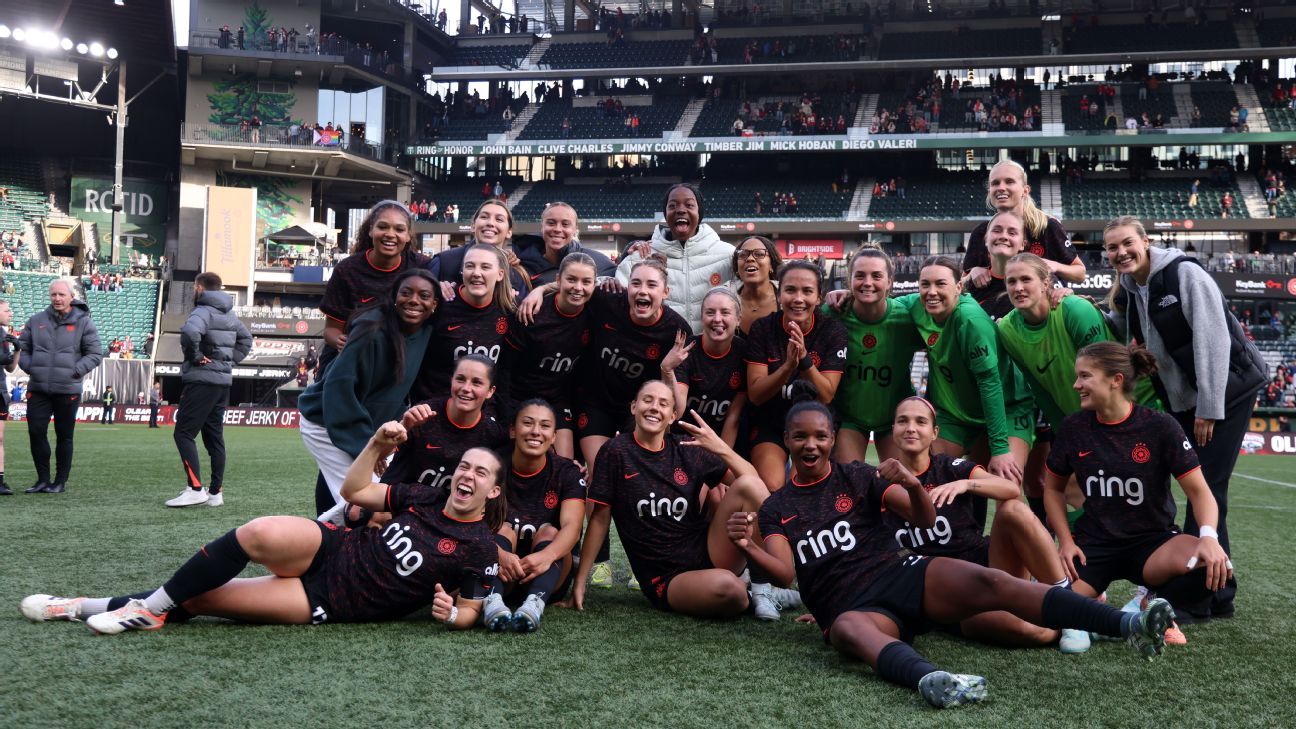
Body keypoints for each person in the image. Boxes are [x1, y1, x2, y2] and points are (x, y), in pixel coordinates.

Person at [730, 396, 1176, 709]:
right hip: (850, 605)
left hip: (902, 573)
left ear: (832, 438)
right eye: (800, 437)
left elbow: (922, 519)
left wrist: (909, 484)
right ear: (786, 440)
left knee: (995, 581)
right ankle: (931, 680)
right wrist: (748, 546)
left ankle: (1128, 624)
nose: (811, 445)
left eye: (821, 436)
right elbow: (785, 574)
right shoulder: (776, 507)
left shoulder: (859, 475)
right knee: (848, 631)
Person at [20, 423, 503, 633]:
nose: (467, 475)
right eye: (465, 466)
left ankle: (77, 606)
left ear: (493, 492)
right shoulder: (430, 494)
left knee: (202, 597)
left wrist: (449, 615)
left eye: (480, 473)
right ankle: (149, 610)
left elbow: (471, 610)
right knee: (258, 532)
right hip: (332, 549)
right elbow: (356, 492)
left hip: (334, 600)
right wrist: (376, 444)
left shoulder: (480, 547)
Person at [1104, 216, 1263, 621]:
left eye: (1127, 243)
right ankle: (1221, 593)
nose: (1120, 252)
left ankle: (1195, 599)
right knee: (1209, 493)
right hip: (1188, 401)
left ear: (1145, 241)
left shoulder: (1184, 273)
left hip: (1225, 394)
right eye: (1112, 248)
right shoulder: (1132, 288)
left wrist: (1208, 407)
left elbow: (1213, 339)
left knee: (1203, 492)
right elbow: (1129, 336)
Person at [519, 256, 690, 588]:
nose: (642, 291)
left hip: (638, 411)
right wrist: (538, 291)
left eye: (652, 285)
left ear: (665, 292)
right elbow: (573, 287)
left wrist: (667, 370)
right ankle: (598, 561)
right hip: (594, 401)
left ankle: (649, 563)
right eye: (636, 284)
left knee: (639, 481)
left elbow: (678, 409)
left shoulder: (676, 330)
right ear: (627, 289)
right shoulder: (607, 300)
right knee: (600, 473)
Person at [1045, 342, 1233, 639]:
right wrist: (1066, 542)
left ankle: (1148, 602)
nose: (1076, 384)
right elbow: (1053, 489)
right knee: (1048, 611)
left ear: (1115, 380)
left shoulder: (1159, 426)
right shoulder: (1074, 428)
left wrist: (1208, 537)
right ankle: (1099, 607)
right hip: (1093, 546)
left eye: (1084, 376)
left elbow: (1200, 492)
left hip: (1152, 543)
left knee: (1211, 567)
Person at [574, 381, 798, 619]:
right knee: (730, 590)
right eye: (647, 400)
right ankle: (750, 594)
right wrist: (580, 582)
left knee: (749, 485)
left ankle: (765, 589)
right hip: (666, 577)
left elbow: (755, 484)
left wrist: (720, 448)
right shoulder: (615, 451)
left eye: (663, 404)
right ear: (633, 407)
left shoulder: (686, 447)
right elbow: (599, 520)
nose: (654, 408)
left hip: (707, 551)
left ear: (672, 416)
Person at [885, 396, 1091, 652]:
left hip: (993, 567)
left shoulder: (949, 467)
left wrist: (966, 484)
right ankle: (1080, 614)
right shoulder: (879, 484)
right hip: (956, 599)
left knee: (1013, 509)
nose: (911, 428)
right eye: (902, 421)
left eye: (920, 421)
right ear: (892, 429)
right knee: (1029, 630)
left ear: (934, 432)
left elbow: (1009, 488)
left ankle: (1068, 605)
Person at [299, 270, 439, 517]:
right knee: (366, 500)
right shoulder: (371, 329)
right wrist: (367, 445)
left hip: (373, 429)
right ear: (394, 297)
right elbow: (338, 388)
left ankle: (322, 540)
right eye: (406, 293)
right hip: (326, 422)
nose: (414, 300)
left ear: (434, 304)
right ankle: (303, 545)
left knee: (381, 497)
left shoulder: (426, 332)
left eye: (424, 295)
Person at [908, 257, 1033, 492]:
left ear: (958, 287)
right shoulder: (916, 305)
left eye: (940, 284)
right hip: (956, 414)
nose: (931, 292)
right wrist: (845, 295)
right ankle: (965, 531)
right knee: (930, 481)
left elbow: (990, 385)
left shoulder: (971, 320)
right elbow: (883, 304)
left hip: (1006, 408)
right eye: (925, 284)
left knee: (1007, 491)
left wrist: (999, 450)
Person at [480, 400, 587, 632]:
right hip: (496, 569)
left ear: (554, 436)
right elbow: (470, 523)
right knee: (503, 528)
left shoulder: (566, 472)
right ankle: (492, 600)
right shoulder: (492, 466)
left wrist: (547, 556)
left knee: (550, 530)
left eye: (545, 426)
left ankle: (534, 604)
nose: (536, 431)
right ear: (512, 430)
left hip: (550, 573)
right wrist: (498, 553)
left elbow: (573, 527)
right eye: (527, 423)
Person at [746, 260, 848, 492]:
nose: (798, 298)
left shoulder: (833, 331)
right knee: (771, 486)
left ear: (819, 297)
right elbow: (756, 395)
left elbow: (826, 395)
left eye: (807, 291)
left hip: (815, 423)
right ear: (779, 294)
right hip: (771, 421)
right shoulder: (763, 329)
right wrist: (786, 368)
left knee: (802, 483)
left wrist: (803, 359)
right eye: (790, 290)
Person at [165, 272, 253, 508]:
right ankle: (215, 493)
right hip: (221, 383)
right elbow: (247, 341)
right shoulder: (230, 314)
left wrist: (196, 357)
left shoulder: (203, 311)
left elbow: (190, 332)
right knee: (214, 438)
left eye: (195, 287)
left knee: (183, 433)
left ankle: (195, 489)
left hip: (202, 381)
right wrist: (227, 362)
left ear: (200, 288)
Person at [828, 246, 922, 464]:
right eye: (859, 276)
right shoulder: (833, 314)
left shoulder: (908, 318)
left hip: (894, 418)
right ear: (849, 281)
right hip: (848, 418)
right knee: (850, 484)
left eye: (877, 276)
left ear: (890, 282)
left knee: (901, 487)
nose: (867, 282)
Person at [502, 253, 596, 459]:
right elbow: (505, 368)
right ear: (558, 280)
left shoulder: (596, 311)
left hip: (559, 400)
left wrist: (541, 288)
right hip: (520, 397)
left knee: (565, 465)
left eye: (586, 282)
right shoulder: (531, 312)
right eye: (571, 279)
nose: (578, 288)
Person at [319, 201, 429, 376]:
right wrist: (341, 342)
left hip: (394, 364)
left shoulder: (421, 266)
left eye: (399, 229)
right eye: (383, 227)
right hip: (349, 365)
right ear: (371, 230)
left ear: (408, 236)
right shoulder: (347, 271)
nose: (390, 234)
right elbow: (330, 330)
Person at [19, 279, 102, 494]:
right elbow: (23, 349)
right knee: (36, 432)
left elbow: (95, 354)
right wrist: (31, 368)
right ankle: (42, 480)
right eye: (53, 295)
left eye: (61, 295)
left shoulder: (84, 322)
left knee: (64, 436)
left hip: (67, 389)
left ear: (71, 297)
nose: (57, 298)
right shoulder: (36, 320)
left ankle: (60, 482)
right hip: (38, 388)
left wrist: (74, 372)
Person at [615, 184, 735, 334]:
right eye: (672, 206)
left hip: (711, 350)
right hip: (658, 351)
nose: (680, 210)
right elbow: (613, 296)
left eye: (689, 205)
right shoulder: (640, 257)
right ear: (665, 214)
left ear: (699, 212)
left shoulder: (729, 254)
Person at [381, 354, 508, 492]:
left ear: (490, 391)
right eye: (460, 379)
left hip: (450, 509)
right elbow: (381, 456)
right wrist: (403, 427)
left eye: (476, 382)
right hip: (397, 502)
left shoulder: (493, 435)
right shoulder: (422, 414)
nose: (466, 388)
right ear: (451, 380)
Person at [413, 245, 517, 404]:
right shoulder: (441, 305)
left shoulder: (508, 310)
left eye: (485, 267)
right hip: (435, 406)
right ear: (462, 271)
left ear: (500, 274)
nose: (476, 273)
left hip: (483, 410)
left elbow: (505, 371)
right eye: (470, 266)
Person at [961, 161, 1085, 292]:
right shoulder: (981, 232)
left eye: (1009, 181)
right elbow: (961, 283)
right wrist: (972, 273)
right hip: (993, 309)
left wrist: (1055, 266)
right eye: (995, 183)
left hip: (1040, 308)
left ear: (1025, 191)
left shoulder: (1047, 226)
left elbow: (1080, 274)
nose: (1001, 187)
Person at [660, 287, 747, 447]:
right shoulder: (686, 350)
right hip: (683, 440)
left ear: (738, 319)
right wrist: (667, 371)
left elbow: (733, 417)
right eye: (710, 312)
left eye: (725, 312)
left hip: (722, 440)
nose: (717, 319)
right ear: (701, 317)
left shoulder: (744, 353)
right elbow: (677, 412)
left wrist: (723, 459)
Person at [428, 199, 529, 293]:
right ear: (473, 226)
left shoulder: (516, 272)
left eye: (499, 219)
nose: (490, 223)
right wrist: (433, 291)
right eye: (484, 217)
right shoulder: (443, 262)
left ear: (509, 232)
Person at [513, 202, 616, 286]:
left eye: (565, 224)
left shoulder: (599, 263)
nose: (558, 229)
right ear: (542, 226)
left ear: (575, 230)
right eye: (551, 223)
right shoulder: (521, 264)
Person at [732, 235, 781, 334]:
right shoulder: (723, 297)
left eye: (759, 254)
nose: (750, 258)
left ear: (771, 265)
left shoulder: (787, 297)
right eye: (743, 254)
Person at [0, 300, 17, 495]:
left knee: (0, 438)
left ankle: (0, 481)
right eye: (6, 310)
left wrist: (18, 350)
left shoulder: (4, 335)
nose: (10, 313)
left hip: (0, 390)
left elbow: (10, 368)